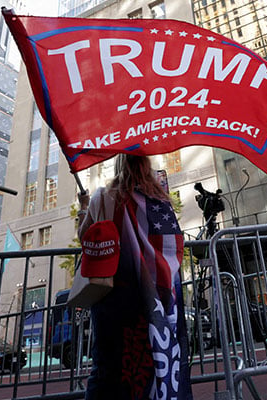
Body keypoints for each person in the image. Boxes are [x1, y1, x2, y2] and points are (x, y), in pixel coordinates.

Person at [77, 154, 193, 400]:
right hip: (155, 299)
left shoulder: (102, 197)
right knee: (153, 361)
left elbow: (84, 235)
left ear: (119, 165)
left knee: (107, 365)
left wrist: (84, 206)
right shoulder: (161, 200)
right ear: (147, 165)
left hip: (112, 294)